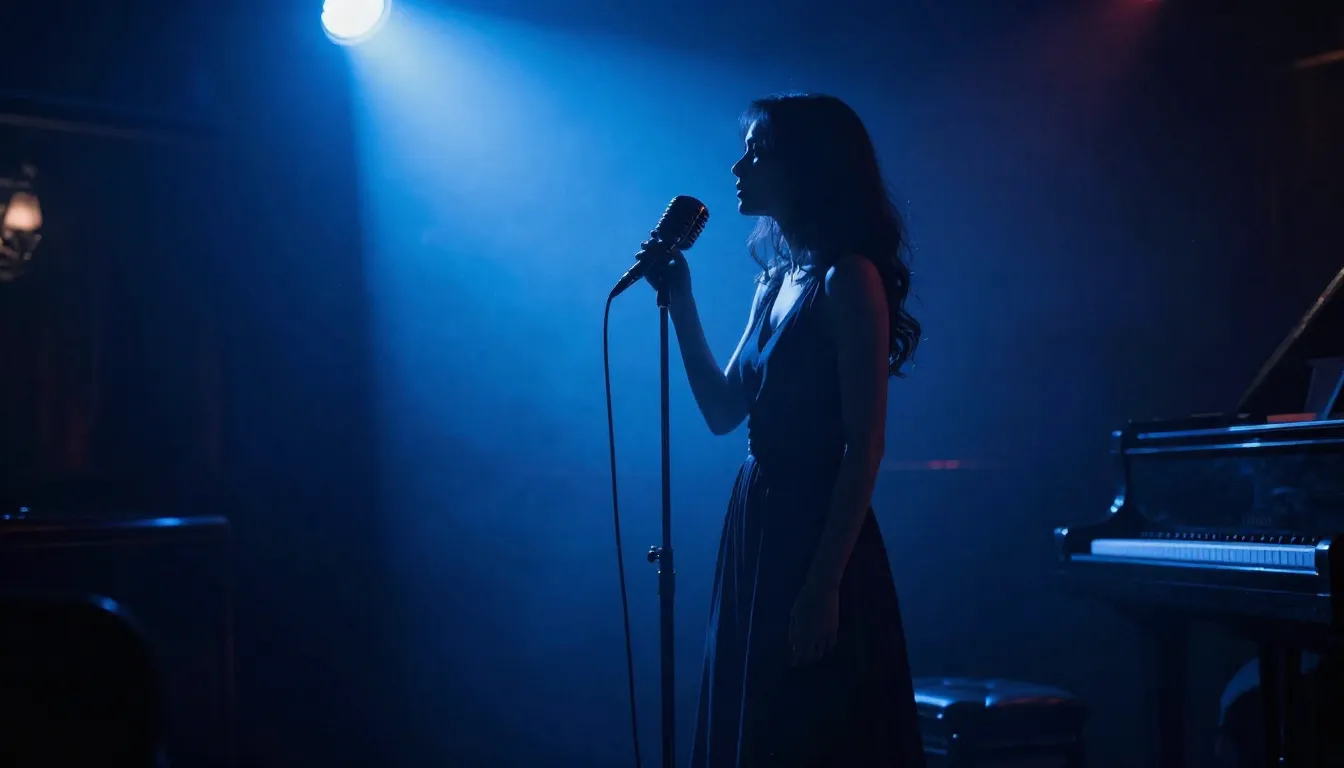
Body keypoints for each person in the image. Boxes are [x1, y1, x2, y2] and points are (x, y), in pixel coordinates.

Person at [640, 92, 926, 766]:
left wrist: (824, 582)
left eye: (758, 153)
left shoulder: (848, 280)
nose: (738, 168)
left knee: (808, 727)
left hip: (816, 528)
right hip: (759, 521)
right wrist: (680, 302)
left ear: (807, 166)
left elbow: (865, 445)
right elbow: (723, 411)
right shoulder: (775, 281)